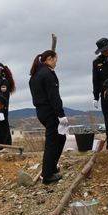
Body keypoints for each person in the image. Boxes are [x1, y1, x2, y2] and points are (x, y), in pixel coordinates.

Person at [29, 50, 67, 185]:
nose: (56, 63)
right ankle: (47, 175)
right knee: (53, 142)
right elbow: (53, 96)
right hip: (50, 111)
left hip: (41, 111)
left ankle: (51, 167)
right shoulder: (48, 73)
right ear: (49, 59)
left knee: (60, 138)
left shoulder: (34, 75)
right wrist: (61, 114)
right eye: (55, 60)